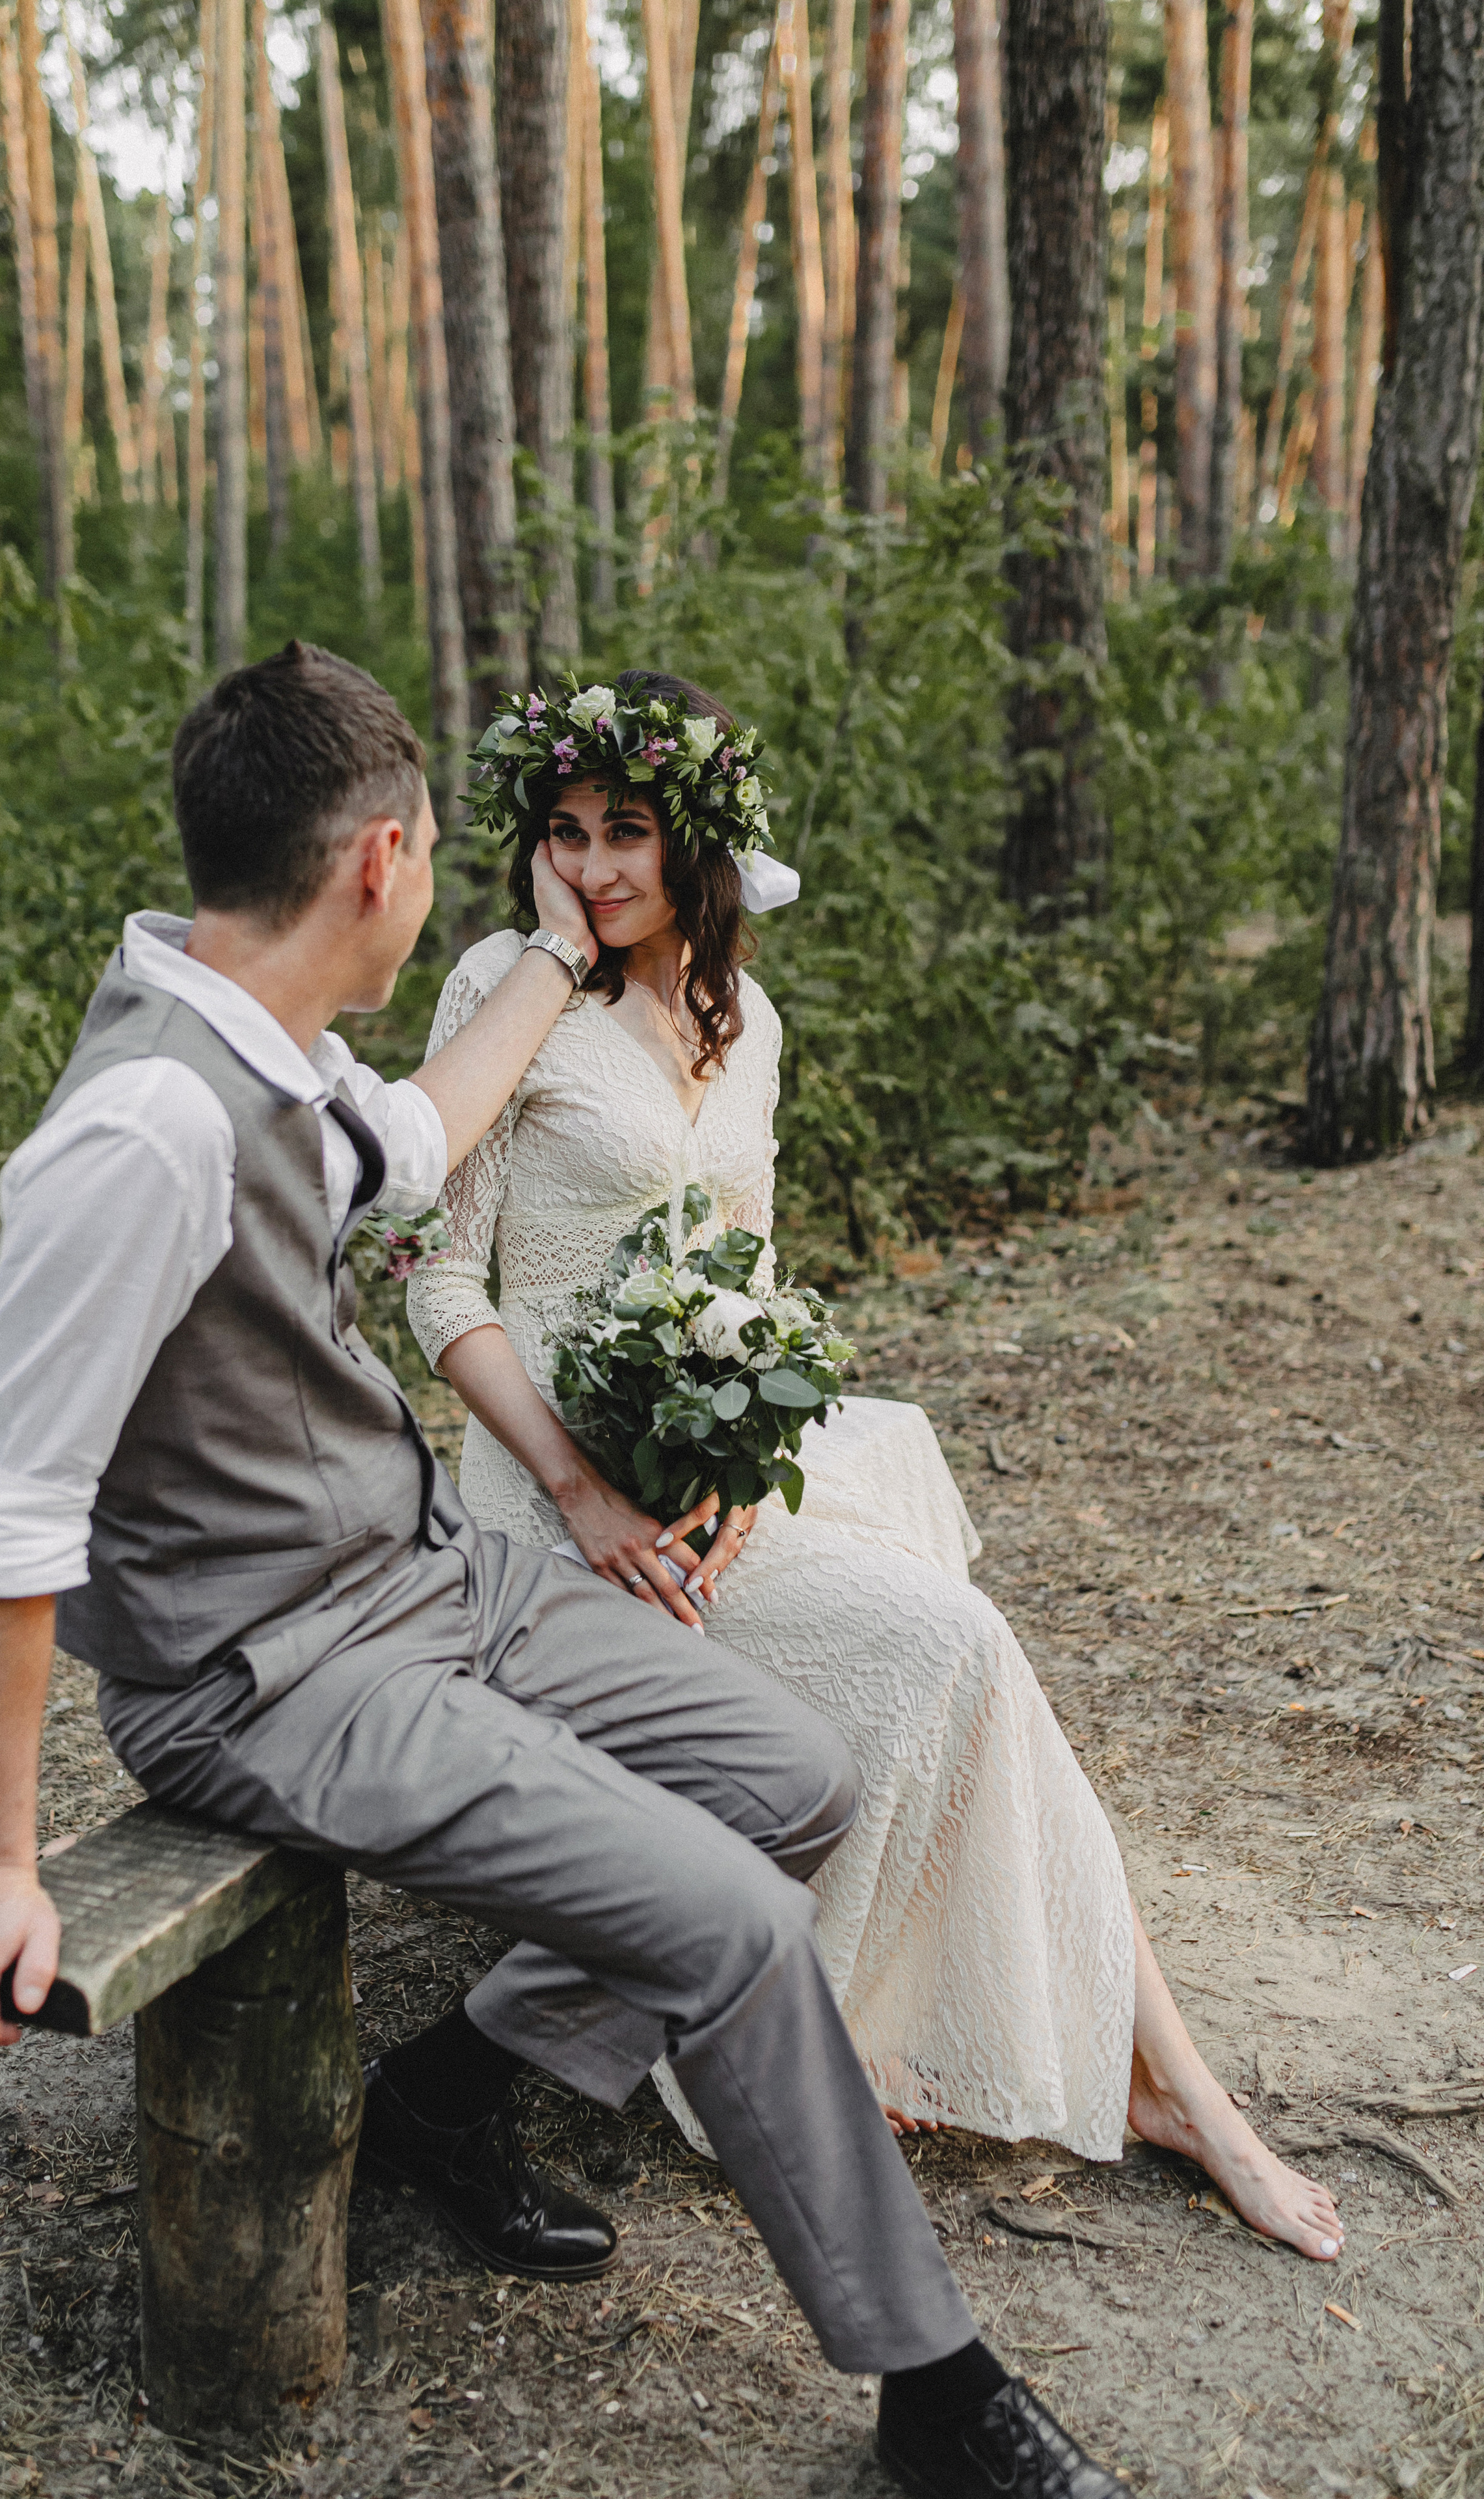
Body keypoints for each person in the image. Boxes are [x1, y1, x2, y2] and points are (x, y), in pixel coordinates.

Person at [0, 642, 1132, 2499]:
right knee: (722, 1921)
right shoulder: (142, 1125)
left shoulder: (260, 1039)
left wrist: (561, 957)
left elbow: (415, 1144)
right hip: (270, 1676)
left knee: (790, 1776)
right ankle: (934, 2392)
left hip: (409, 1580)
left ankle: (453, 2092)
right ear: (390, 860)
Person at [405, 665, 1345, 2267]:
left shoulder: (745, 1017)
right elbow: (437, 1278)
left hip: (701, 1480)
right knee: (957, 1643)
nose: (590, 867)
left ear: (697, 835)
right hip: (549, 1497)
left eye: (627, 830)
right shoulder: (510, 982)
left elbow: (745, 1281)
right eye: (562, 832)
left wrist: (721, 1458)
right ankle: (1163, 2087)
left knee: (960, 1657)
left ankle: (1163, 2080)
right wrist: (585, 1488)